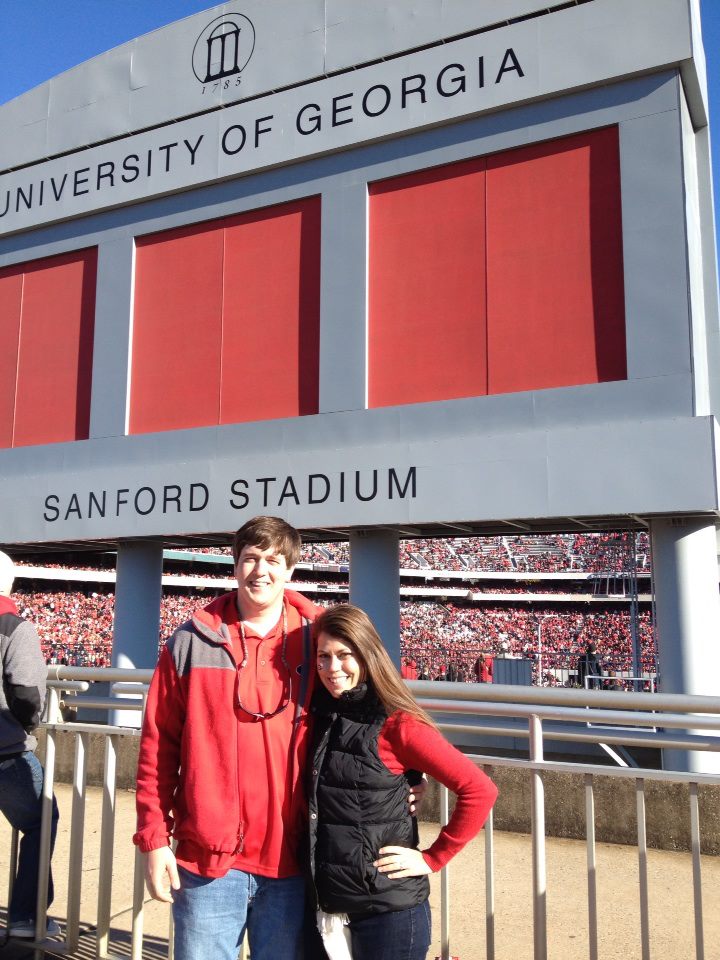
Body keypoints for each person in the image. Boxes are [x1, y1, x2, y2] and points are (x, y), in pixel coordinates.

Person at [135, 517, 423, 960]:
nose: (261, 570)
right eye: (251, 558)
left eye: (273, 560)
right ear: (235, 565)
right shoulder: (189, 643)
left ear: (290, 568)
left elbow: (373, 707)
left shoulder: (320, 638)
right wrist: (154, 839)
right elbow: (158, 746)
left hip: (294, 864)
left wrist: (409, 775)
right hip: (209, 862)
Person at [308, 604, 498, 960]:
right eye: (323, 656)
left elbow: (479, 789)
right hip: (329, 905)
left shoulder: (399, 724)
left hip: (388, 912)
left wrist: (433, 858)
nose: (332, 668)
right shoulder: (321, 714)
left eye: (345, 655)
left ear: (367, 655)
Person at [0, 551, 60, 940]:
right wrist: (26, 726)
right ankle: (26, 916)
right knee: (42, 820)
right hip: (6, 751)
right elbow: (25, 692)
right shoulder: (15, 627)